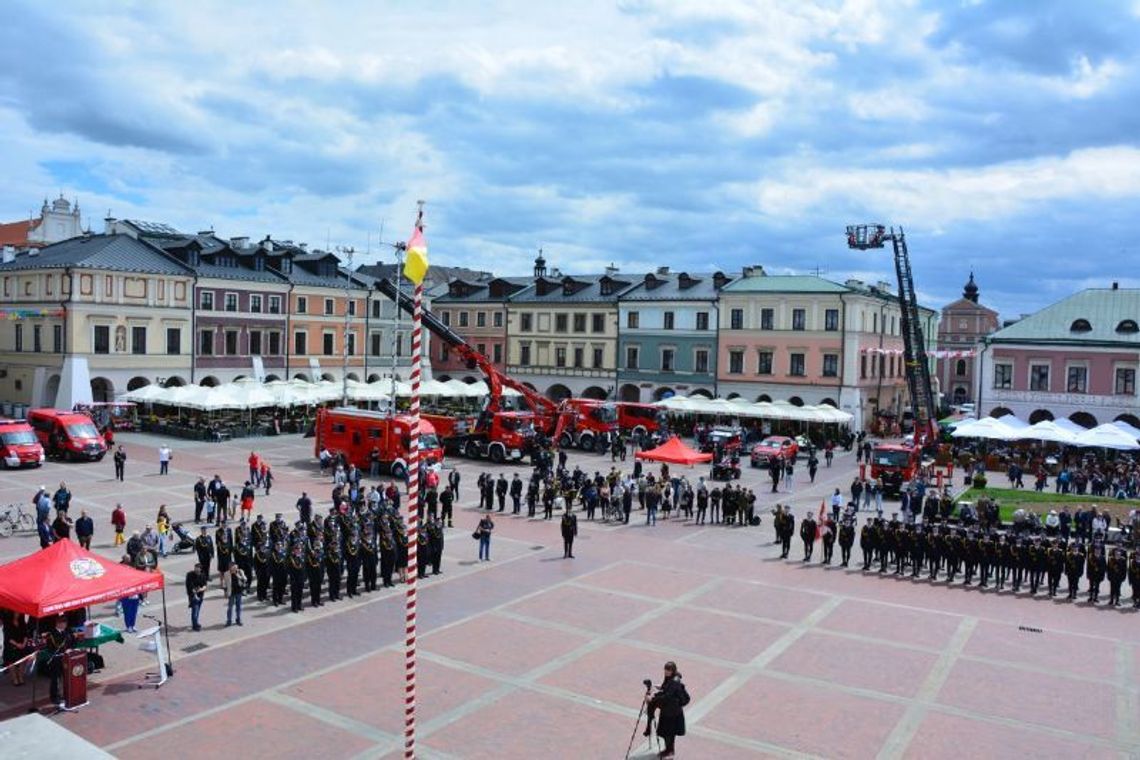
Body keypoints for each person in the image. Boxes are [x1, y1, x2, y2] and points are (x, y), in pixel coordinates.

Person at [645, 660, 689, 759]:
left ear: (673, 670)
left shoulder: (674, 682)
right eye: (665, 670)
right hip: (670, 710)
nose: (666, 672)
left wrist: (652, 698)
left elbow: (667, 696)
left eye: (669, 670)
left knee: (668, 733)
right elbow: (668, 691)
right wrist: (662, 688)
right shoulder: (672, 679)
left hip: (671, 712)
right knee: (668, 733)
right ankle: (669, 749)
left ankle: (669, 751)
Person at [43, 615, 74, 707]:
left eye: (65, 622)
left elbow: (73, 641)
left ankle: (66, 694)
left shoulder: (67, 631)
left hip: (66, 659)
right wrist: (64, 651)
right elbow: (50, 648)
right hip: (56, 659)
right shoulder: (51, 634)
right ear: (58, 623)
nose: (65, 624)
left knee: (66, 677)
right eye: (63, 622)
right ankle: (55, 697)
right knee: (55, 679)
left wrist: (71, 649)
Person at [2, 610, 28, 686]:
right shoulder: (7, 623)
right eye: (16, 612)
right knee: (12, 662)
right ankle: (15, 679)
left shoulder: (22, 623)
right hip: (11, 645)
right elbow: (8, 637)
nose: (18, 614)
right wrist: (17, 644)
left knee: (22, 661)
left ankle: (20, 677)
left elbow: (26, 634)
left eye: (19, 612)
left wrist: (24, 643)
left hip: (22, 644)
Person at [185, 563, 207, 631]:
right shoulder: (190, 575)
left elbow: (205, 585)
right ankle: (195, 625)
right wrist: (195, 594)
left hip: (200, 595)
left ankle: (196, 622)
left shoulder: (203, 575)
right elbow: (190, 586)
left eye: (198, 569)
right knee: (195, 611)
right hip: (193, 596)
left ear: (200, 569)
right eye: (195, 568)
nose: (196, 570)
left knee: (197, 611)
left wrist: (201, 589)